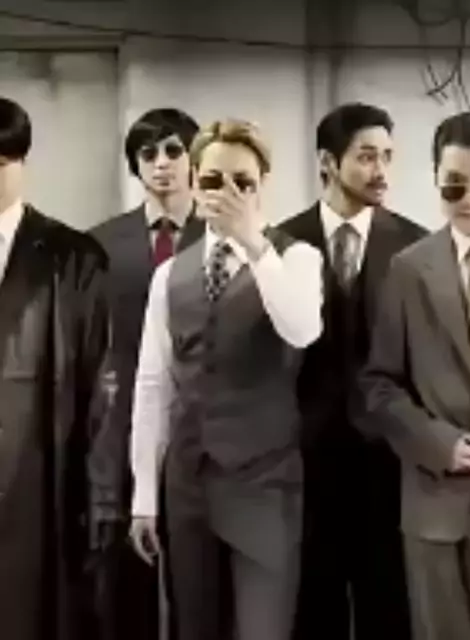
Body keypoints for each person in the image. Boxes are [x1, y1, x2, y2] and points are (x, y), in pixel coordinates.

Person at [130, 118, 323, 640]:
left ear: (264, 184)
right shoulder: (170, 275)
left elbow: (302, 329)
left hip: (264, 483)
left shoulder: (297, 257)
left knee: (263, 629)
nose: (228, 194)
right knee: (194, 627)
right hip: (189, 484)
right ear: (194, 181)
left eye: (243, 182)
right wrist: (144, 496)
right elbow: (154, 385)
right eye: (214, 180)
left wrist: (254, 244)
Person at [282, 102, 426, 640]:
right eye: (367, 156)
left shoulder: (416, 246)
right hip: (304, 461)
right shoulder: (280, 243)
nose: (381, 170)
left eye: (387, 156)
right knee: (311, 608)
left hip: (388, 462)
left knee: (388, 607)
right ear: (328, 161)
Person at [361, 110, 470, 640]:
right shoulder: (408, 268)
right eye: (454, 187)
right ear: (435, 180)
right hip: (436, 506)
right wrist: (437, 442)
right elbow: (378, 384)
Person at [0, 96, 111, 640]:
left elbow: (100, 383)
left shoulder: (72, 256)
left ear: (20, 163)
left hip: (38, 474)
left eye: (0, 163)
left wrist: (101, 493)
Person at [91, 108, 204, 640]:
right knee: (125, 579)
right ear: (135, 165)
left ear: (194, 159)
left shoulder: (221, 235)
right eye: (148, 153)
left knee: (197, 583)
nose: (162, 164)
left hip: (201, 424)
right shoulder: (101, 244)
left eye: (174, 151)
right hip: (121, 426)